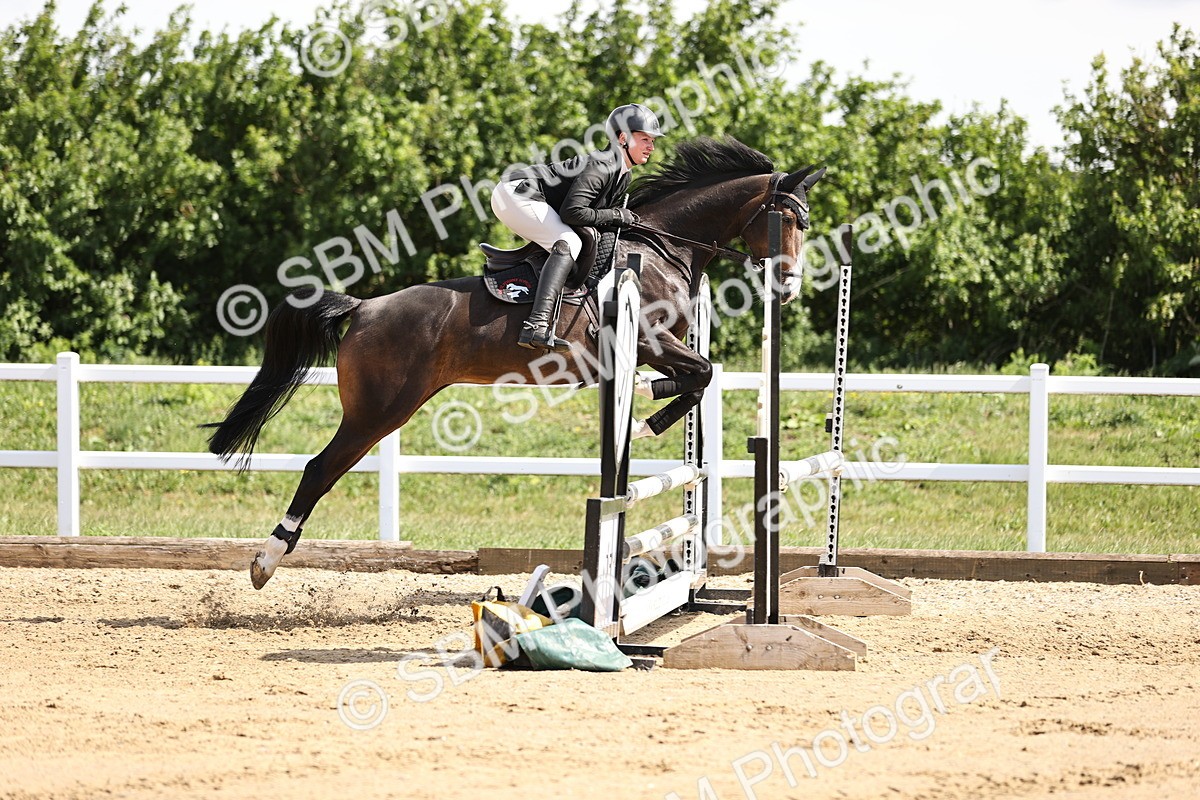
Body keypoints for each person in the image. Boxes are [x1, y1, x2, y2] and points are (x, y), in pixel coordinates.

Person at [491, 103, 664, 352]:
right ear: (623, 137)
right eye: (645, 138)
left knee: (576, 240)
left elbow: (598, 222)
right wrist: (616, 214)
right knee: (568, 242)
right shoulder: (603, 165)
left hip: (528, 198)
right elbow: (572, 212)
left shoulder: (623, 175)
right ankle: (535, 324)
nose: (651, 146)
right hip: (516, 193)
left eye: (652, 140)